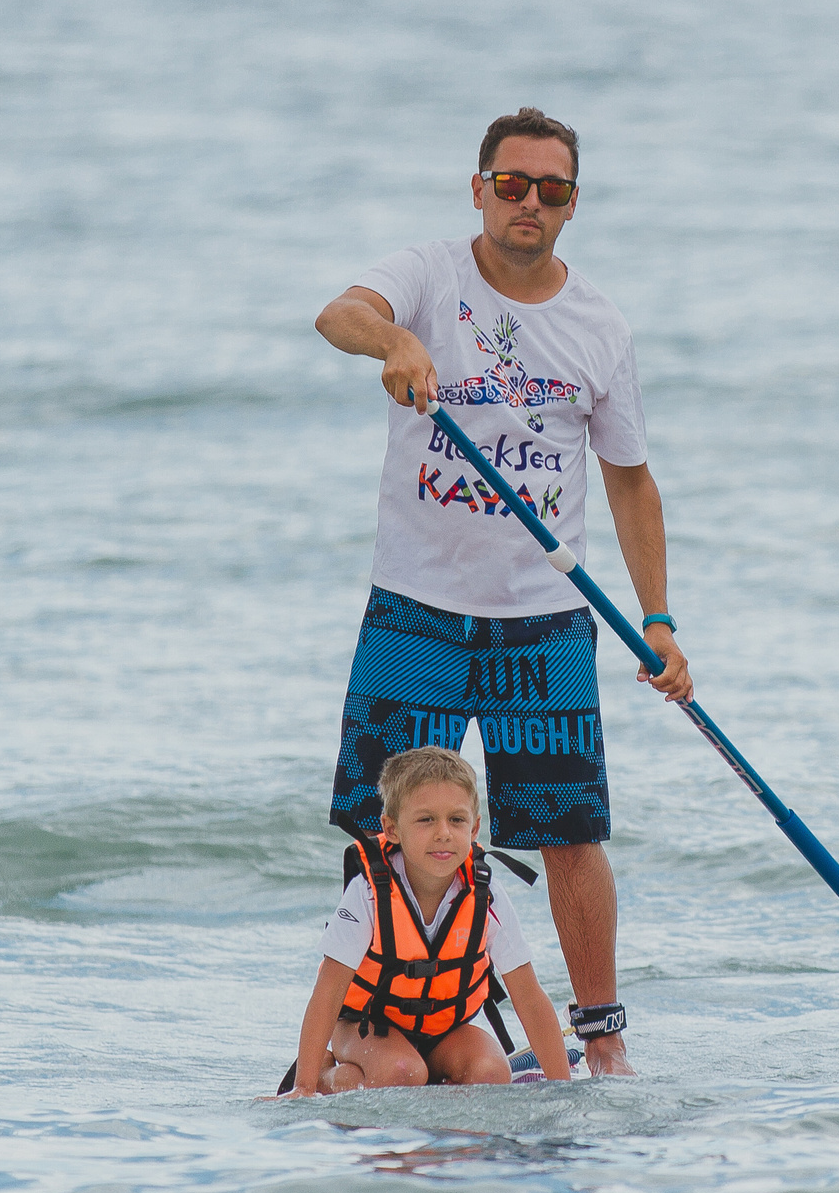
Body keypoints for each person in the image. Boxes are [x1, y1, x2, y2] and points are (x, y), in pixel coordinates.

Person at [312, 107, 689, 1077]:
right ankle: (373, 1023)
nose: (528, 203)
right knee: (382, 832)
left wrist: (656, 621)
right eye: (511, 185)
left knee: (569, 835)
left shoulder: (598, 328)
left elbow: (630, 479)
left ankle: (601, 1042)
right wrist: (391, 345)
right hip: (414, 609)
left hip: (544, 619)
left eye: (550, 190)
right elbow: (338, 314)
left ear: (572, 206)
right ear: (478, 189)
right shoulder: (429, 277)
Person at [284, 747, 570, 1093]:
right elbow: (328, 991)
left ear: (475, 827)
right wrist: (302, 1088)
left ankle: (432, 1080)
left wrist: (561, 1089)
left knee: (492, 1074)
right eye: (426, 819)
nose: (443, 833)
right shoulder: (369, 893)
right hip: (366, 1027)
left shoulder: (486, 893)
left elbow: (528, 994)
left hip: (444, 1029)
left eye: (457, 820)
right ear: (391, 828)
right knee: (402, 1073)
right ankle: (326, 1076)